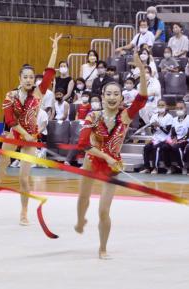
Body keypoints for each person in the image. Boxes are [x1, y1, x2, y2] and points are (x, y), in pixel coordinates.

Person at [74, 52, 148, 259]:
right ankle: (80, 220)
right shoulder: (93, 116)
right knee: (83, 197)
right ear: (102, 96)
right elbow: (83, 145)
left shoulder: (125, 116)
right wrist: (106, 156)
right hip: (93, 159)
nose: (113, 97)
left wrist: (141, 70)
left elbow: (142, 98)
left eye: (116, 94)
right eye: (109, 94)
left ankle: (102, 247)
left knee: (104, 211)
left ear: (122, 97)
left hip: (112, 165)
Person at [0, 33, 62, 225]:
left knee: (24, 179)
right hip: (16, 134)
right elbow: (10, 121)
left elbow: (49, 72)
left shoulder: (39, 93)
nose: (28, 80)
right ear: (19, 78)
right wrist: (25, 134)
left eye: (31, 77)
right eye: (25, 77)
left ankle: (24, 212)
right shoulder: (10, 96)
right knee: (4, 157)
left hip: (30, 139)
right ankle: (1, 171)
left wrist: (55, 49)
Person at [139, 100, 173, 174]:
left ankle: (155, 168)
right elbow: (152, 131)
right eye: (159, 105)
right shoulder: (154, 116)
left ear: (166, 106)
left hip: (165, 139)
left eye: (162, 105)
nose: (161, 107)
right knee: (146, 148)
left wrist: (159, 126)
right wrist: (153, 127)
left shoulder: (169, 117)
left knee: (156, 148)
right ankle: (147, 168)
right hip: (156, 139)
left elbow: (167, 131)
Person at [161, 101, 189, 174]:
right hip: (178, 140)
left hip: (186, 140)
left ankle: (183, 167)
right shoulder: (174, 119)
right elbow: (173, 132)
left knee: (176, 147)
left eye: (181, 108)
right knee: (164, 147)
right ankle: (169, 167)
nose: (179, 110)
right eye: (177, 108)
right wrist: (174, 139)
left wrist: (181, 140)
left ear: (185, 108)